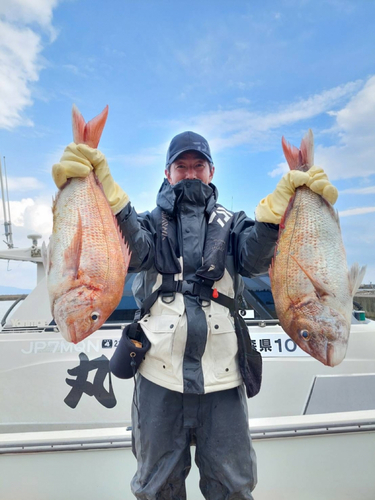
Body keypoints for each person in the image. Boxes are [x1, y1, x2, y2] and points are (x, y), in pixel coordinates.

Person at [52, 131, 338, 499]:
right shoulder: (148, 222)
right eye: (181, 166)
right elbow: (135, 253)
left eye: (198, 165)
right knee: (156, 488)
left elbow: (254, 259)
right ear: (167, 173)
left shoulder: (234, 223)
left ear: (211, 171)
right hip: (159, 378)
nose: (190, 173)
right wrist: (109, 195)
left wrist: (270, 218)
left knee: (233, 488)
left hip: (223, 379)